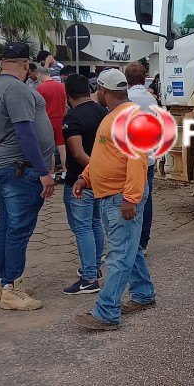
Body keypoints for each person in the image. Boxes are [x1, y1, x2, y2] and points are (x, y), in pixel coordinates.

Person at [71, 68, 154, 331]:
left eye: (98, 89)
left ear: (103, 91)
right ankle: (143, 294)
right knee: (130, 249)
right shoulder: (115, 117)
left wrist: (130, 197)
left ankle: (107, 312)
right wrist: (86, 177)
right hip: (114, 194)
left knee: (118, 255)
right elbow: (104, 155)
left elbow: (137, 159)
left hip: (121, 197)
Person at [0, 41, 56, 311]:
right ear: (26, 64)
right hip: (20, 167)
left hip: (7, 166)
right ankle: (12, 287)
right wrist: (43, 171)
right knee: (18, 229)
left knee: (6, 227)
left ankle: (3, 283)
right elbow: (25, 132)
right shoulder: (15, 89)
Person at [60, 74, 109, 294]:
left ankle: (89, 277)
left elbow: (78, 154)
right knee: (95, 223)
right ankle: (95, 268)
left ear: (67, 94)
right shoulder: (103, 112)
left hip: (79, 181)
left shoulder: (72, 118)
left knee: (82, 228)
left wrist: (91, 173)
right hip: (99, 181)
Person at [125, 62, 158, 252]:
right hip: (149, 156)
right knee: (147, 201)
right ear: (144, 77)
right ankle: (143, 243)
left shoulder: (126, 98)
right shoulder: (152, 99)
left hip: (131, 158)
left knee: (130, 200)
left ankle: (130, 244)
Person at [35, 66, 68, 181]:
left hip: (47, 120)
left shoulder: (40, 88)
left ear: (39, 74)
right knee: (62, 146)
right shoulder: (61, 87)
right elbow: (66, 104)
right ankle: (65, 171)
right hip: (60, 118)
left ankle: (52, 172)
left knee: (50, 148)